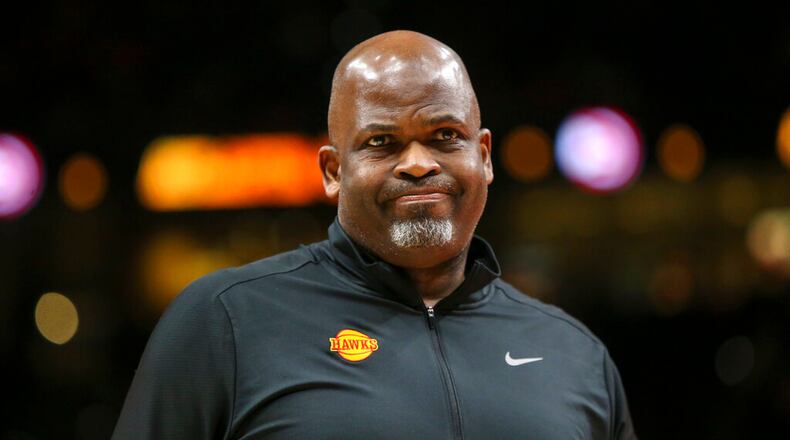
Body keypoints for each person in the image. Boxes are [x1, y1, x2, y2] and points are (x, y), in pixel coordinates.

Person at [113, 30, 637, 439]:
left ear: (483, 156)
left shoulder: (575, 354)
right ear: (333, 171)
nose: (416, 163)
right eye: (382, 141)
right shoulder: (224, 321)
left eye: (445, 136)